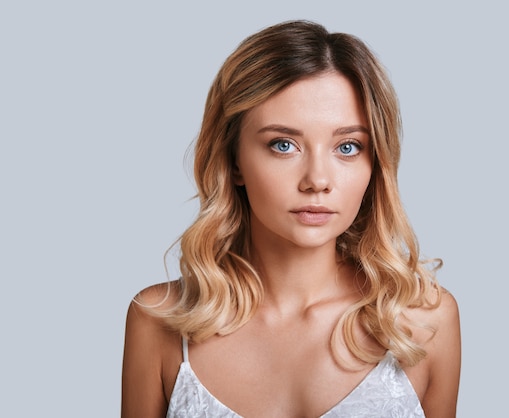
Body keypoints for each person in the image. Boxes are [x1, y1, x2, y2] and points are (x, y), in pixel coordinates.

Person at [122, 20, 461, 418]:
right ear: (233, 161)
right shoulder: (160, 322)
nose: (317, 180)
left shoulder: (424, 324)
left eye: (348, 147)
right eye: (284, 145)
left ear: (376, 163)